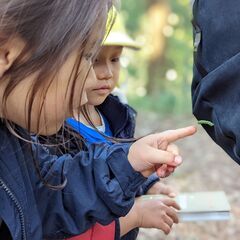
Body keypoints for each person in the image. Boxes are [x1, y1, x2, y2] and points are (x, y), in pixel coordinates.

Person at [0, 1, 197, 239]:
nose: (84, 93)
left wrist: (129, 162)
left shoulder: (13, 140)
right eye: (87, 57)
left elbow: (48, 197)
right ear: (7, 52)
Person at [66, 13, 180, 240]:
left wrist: (147, 186)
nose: (107, 72)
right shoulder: (55, 132)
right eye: (94, 59)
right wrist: (135, 216)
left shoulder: (116, 116)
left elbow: (122, 166)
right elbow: (66, 213)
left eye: (115, 60)